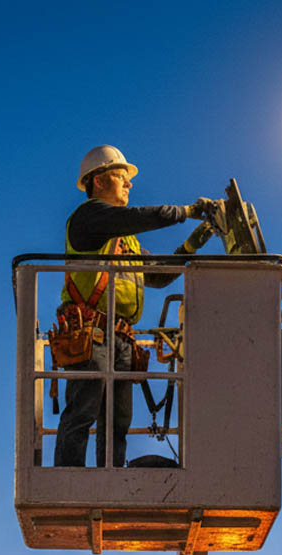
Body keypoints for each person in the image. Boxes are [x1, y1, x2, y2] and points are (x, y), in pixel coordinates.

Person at [54, 145, 213, 467]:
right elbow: (136, 218)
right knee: (83, 410)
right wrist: (186, 212)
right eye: (121, 176)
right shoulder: (88, 218)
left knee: (117, 420)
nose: (129, 184)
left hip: (120, 337)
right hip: (91, 331)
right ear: (98, 181)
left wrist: (194, 242)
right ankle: (68, 478)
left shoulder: (126, 241)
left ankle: (109, 477)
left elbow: (156, 276)